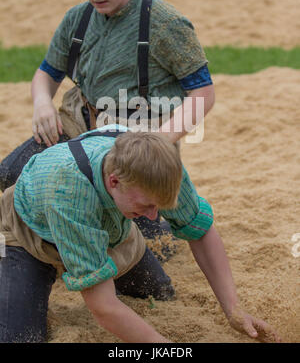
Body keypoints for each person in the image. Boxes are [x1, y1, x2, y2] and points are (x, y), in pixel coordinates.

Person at [0, 0, 215, 257]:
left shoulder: (165, 23)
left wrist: (158, 141)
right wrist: (42, 102)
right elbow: (47, 73)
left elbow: (203, 92)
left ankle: (155, 226)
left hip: (138, 136)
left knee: (156, 249)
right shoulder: (77, 18)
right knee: (8, 175)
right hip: (79, 125)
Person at [0, 127, 281, 343]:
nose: (154, 217)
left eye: (159, 206)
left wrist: (234, 310)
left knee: (159, 294)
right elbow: (103, 306)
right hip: (28, 237)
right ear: (114, 181)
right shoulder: (68, 191)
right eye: (146, 205)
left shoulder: (159, 166)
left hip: (109, 229)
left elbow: (200, 230)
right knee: (18, 336)